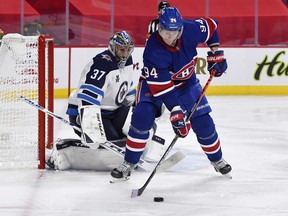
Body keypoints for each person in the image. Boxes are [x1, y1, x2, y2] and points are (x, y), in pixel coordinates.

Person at [111, 7, 232, 181]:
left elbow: (212, 27)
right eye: (166, 32)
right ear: (159, 28)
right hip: (154, 85)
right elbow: (163, 89)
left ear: (181, 29)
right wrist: (176, 112)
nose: (170, 37)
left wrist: (216, 52)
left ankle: (217, 159)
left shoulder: (192, 29)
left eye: (174, 32)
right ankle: (129, 163)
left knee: (204, 122)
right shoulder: (153, 51)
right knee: (142, 117)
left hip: (187, 84)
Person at [46, 31, 164, 170]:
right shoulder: (102, 63)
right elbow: (88, 98)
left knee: (141, 122)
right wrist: (90, 126)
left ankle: (136, 148)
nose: (125, 53)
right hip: (90, 112)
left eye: (128, 49)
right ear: (113, 48)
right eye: (121, 49)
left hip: (115, 110)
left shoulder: (128, 61)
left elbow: (127, 90)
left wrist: (143, 106)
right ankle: (65, 151)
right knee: (113, 142)